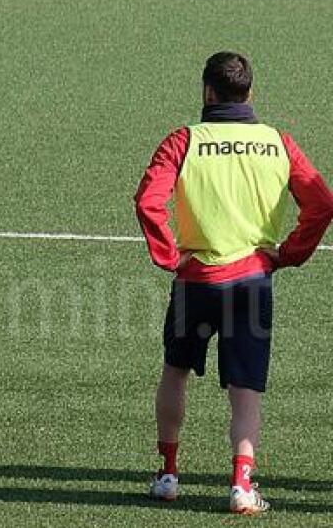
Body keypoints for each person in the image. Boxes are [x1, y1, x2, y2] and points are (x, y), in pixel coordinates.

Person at [134, 52, 333, 514]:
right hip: (251, 281)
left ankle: (167, 474)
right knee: (245, 388)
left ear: (207, 91)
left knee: (175, 371)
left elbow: (148, 201)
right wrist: (290, 254)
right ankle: (242, 484)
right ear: (249, 93)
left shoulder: (183, 140)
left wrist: (170, 255)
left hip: (194, 280)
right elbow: (322, 204)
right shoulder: (278, 143)